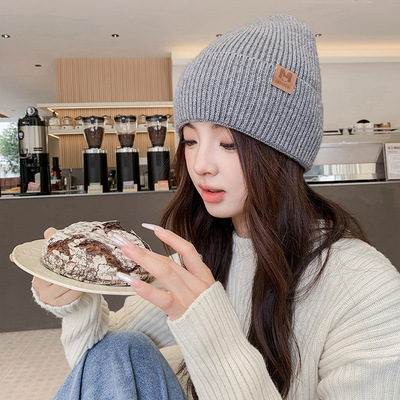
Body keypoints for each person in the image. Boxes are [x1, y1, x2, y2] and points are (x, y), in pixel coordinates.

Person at [25, 14, 400, 399]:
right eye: (190, 141)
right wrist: (76, 303)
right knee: (121, 349)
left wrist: (209, 330)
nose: (200, 164)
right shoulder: (203, 255)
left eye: (228, 144)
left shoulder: (364, 286)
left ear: (283, 154)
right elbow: (104, 374)